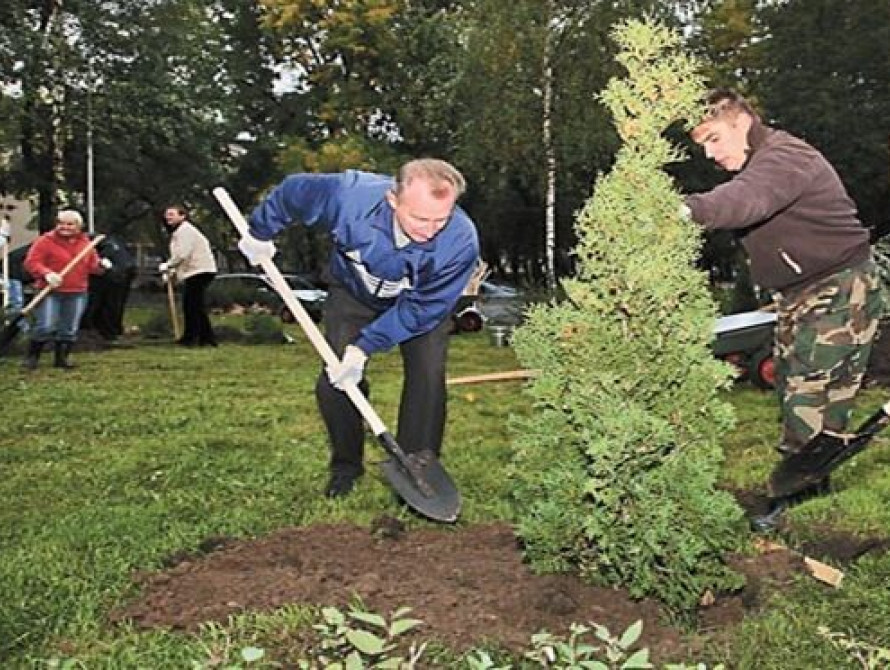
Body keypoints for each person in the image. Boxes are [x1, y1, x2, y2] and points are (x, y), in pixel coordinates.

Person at [683, 89, 883, 529]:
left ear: (742, 122)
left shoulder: (783, 157)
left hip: (835, 288)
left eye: (714, 139)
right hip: (814, 289)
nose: (709, 153)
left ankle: (793, 500)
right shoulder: (766, 160)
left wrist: (681, 210)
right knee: (819, 397)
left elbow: (743, 201)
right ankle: (813, 491)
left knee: (806, 394)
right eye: (702, 146)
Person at [238, 159, 480, 498]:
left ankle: (417, 468)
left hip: (416, 306)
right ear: (393, 199)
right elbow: (293, 191)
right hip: (352, 292)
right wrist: (259, 233)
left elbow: (423, 310)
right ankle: (346, 466)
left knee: (427, 374)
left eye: (441, 219)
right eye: (420, 218)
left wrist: (366, 346)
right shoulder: (349, 197)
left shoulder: (459, 241)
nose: (430, 229)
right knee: (334, 381)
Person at [22, 210, 112, 369]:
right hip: (50, 291)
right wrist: (47, 273)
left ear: (78, 226)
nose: (64, 227)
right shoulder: (45, 241)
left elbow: (93, 267)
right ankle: (32, 357)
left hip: (77, 292)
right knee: (46, 325)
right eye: (61, 223)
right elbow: (31, 262)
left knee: (69, 328)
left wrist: (102, 266)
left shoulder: (86, 244)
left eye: (69, 224)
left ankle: (62, 359)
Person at [158, 205, 218, 347]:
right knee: (195, 305)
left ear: (182, 216)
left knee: (192, 305)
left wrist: (168, 265)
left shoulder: (185, 231)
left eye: (172, 214)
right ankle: (206, 339)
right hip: (195, 271)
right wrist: (171, 273)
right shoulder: (179, 232)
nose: (168, 217)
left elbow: (182, 254)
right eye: (167, 214)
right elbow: (180, 257)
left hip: (200, 270)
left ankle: (191, 338)